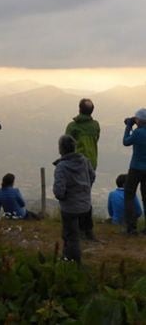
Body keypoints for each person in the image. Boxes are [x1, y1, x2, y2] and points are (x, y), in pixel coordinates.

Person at [53, 135, 95, 264]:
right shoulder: (84, 160)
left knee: (71, 236)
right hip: (85, 205)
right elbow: (92, 176)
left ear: (61, 149)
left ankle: (74, 263)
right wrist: (85, 191)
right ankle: (66, 256)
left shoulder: (62, 167)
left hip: (70, 207)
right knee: (71, 233)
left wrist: (63, 196)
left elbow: (59, 192)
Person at [65, 98, 100, 240]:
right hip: (91, 163)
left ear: (79, 109)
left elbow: (67, 144)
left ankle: (79, 229)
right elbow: (96, 139)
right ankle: (87, 230)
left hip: (76, 164)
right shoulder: (95, 125)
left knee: (75, 196)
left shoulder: (72, 127)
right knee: (86, 196)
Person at [123, 108, 146, 235]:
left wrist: (128, 126)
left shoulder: (137, 133)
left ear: (140, 120)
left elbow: (126, 142)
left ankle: (131, 228)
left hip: (136, 168)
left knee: (129, 195)